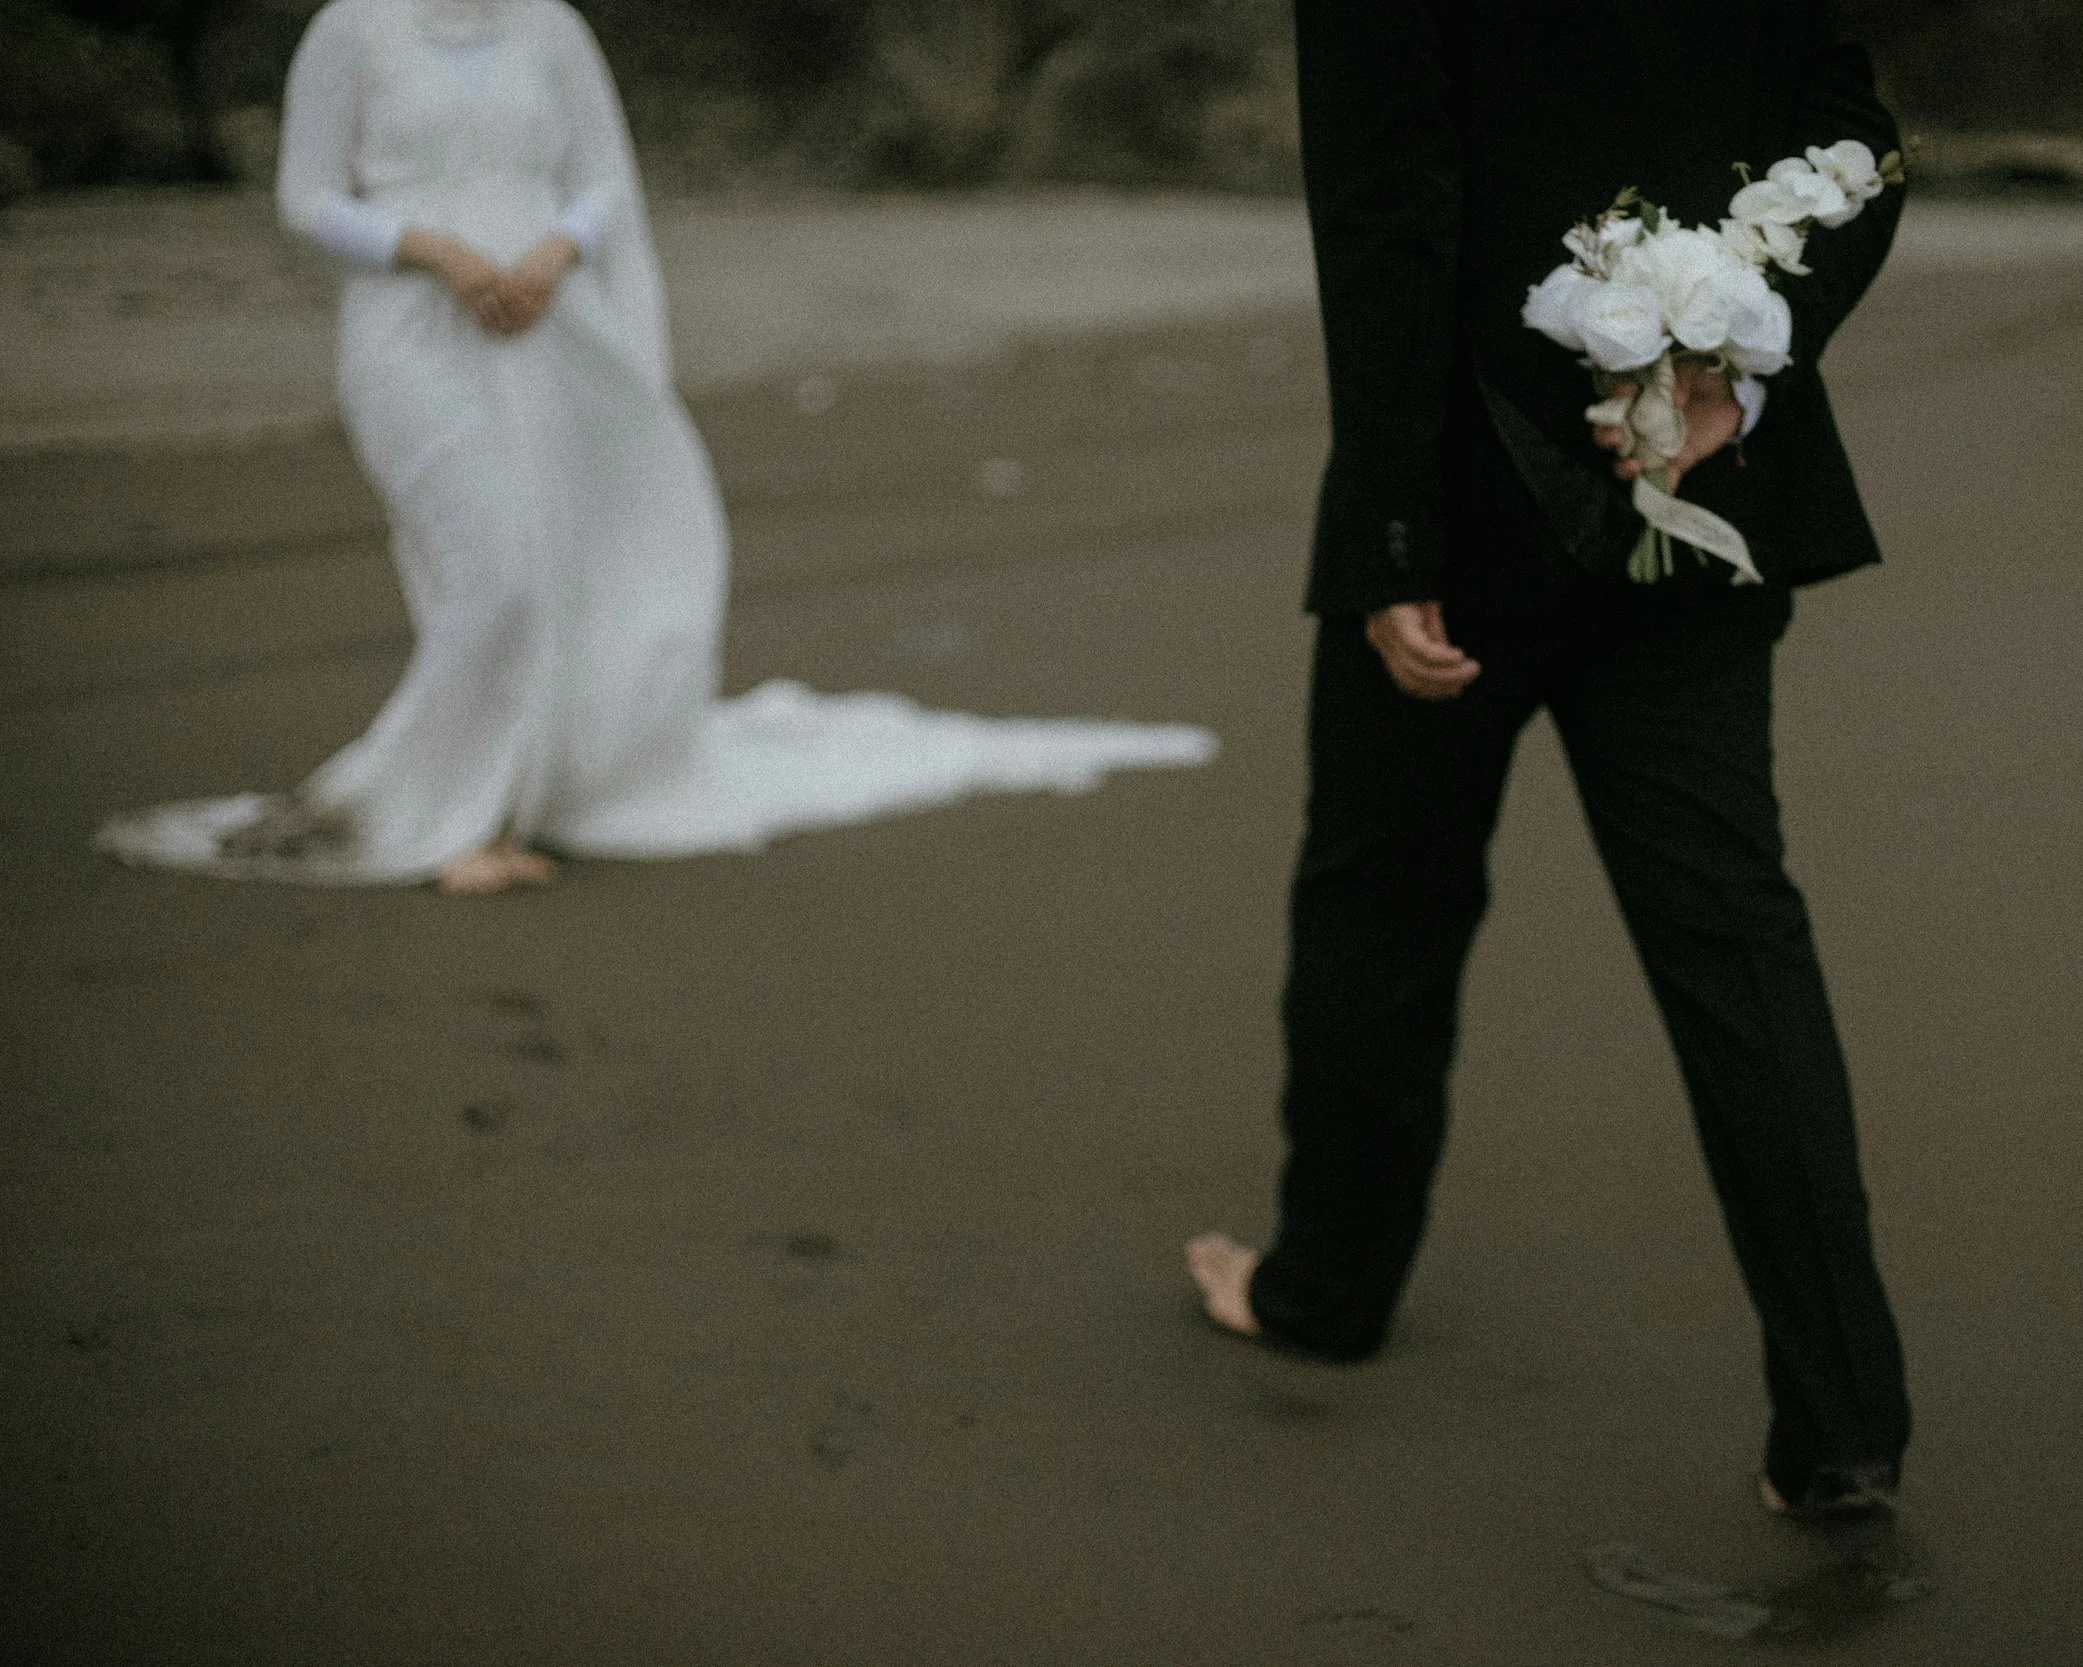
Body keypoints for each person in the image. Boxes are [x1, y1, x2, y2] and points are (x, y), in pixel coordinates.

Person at [1188, 0, 1912, 1522]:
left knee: (1382, 900)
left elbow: (1385, 211)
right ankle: (1843, 1409)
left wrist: (1391, 535)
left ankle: (1323, 1285)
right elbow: (1852, 148)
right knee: (1734, 935)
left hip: (1460, 505)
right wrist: (1729, 365)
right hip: (1698, 471)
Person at [96, 0, 1212, 891]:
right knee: (493, 573)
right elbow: (303, 200)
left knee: (557, 559)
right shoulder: (352, 27)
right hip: (412, 328)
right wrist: (429, 247)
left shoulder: (550, 26)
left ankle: (510, 800)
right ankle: (448, 812)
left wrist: (553, 251)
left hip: (547, 327)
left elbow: (602, 181)